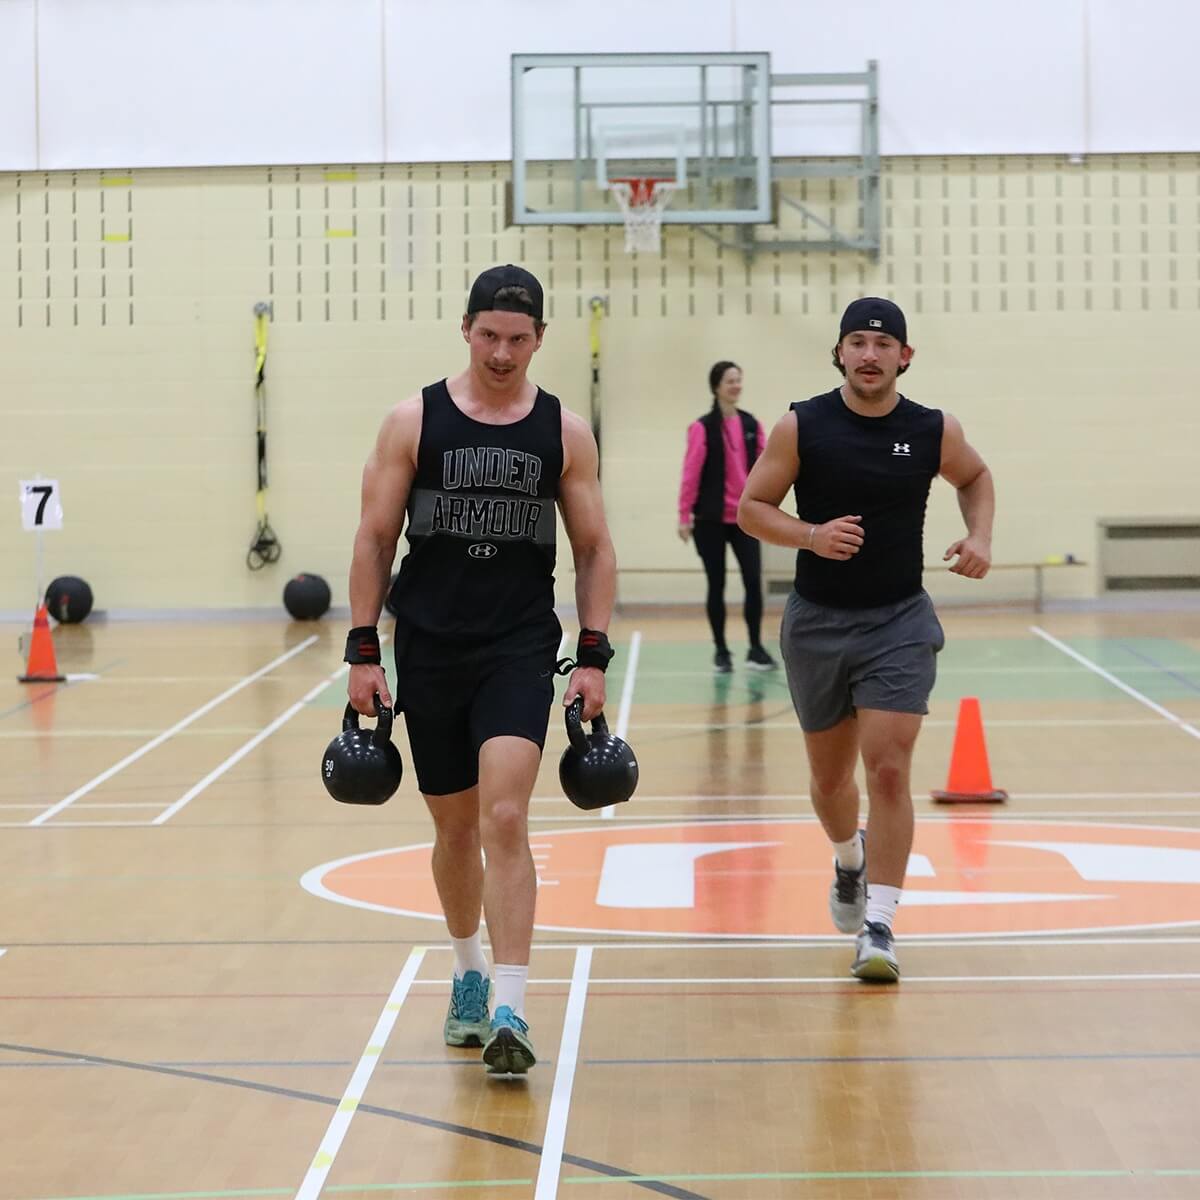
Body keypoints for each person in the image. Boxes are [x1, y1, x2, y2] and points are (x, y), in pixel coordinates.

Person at [344, 264, 617, 1072]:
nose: (502, 352)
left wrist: (593, 654)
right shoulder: (413, 421)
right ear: (466, 329)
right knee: (456, 828)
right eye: (490, 335)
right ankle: (467, 970)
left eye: (518, 339)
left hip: (517, 646)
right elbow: (374, 538)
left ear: (540, 339)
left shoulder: (564, 432)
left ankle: (510, 1006)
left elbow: (594, 548)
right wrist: (363, 648)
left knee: (504, 817)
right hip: (428, 646)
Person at [737, 298, 994, 982]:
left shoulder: (933, 429)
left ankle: (879, 925)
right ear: (840, 353)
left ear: (905, 357)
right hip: (817, 622)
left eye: (883, 344)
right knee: (830, 781)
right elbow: (751, 509)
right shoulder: (803, 425)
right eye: (857, 342)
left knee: (887, 768)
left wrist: (979, 535)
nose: (870, 354)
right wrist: (811, 535)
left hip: (898, 621)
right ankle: (848, 859)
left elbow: (975, 477)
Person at [678, 361, 776, 673]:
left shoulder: (751, 424)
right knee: (716, 584)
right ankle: (721, 651)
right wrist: (684, 515)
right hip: (710, 520)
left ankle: (756, 649)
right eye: (730, 381)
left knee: (753, 581)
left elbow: (766, 467)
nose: (736, 386)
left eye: (739, 380)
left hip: (746, 520)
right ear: (717, 386)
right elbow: (691, 474)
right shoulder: (702, 428)